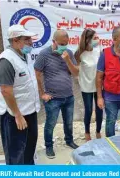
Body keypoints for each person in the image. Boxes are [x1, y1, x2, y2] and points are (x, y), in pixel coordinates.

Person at [0, 25, 40, 164]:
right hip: (14, 116)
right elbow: (6, 91)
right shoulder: (6, 60)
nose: (30, 42)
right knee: (16, 154)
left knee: (29, 150)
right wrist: (17, 115)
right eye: (26, 39)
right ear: (15, 40)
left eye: (30, 39)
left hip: (29, 112)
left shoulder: (24, 56)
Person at [34, 30, 79, 159]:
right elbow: (37, 74)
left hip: (68, 96)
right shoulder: (44, 54)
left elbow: (75, 73)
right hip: (53, 98)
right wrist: (42, 93)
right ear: (53, 41)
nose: (64, 46)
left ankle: (69, 140)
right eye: (61, 44)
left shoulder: (68, 53)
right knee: (50, 123)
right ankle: (49, 146)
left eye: (66, 43)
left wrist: (68, 60)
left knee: (69, 122)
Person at [74, 29, 103, 141]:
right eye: (95, 38)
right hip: (86, 86)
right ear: (88, 40)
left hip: (98, 85)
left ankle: (98, 131)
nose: (98, 40)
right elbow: (75, 70)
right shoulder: (79, 54)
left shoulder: (98, 50)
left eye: (97, 37)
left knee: (100, 109)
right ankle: (87, 132)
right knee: (89, 110)